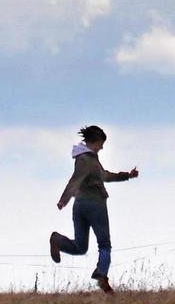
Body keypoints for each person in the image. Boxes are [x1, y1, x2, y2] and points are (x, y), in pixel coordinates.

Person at [49, 125, 139, 294]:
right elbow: (75, 180)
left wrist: (127, 175)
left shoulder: (89, 158)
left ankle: (58, 241)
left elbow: (105, 175)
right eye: (101, 143)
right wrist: (63, 200)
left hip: (80, 206)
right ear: (93, 141)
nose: (102, 147)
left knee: (80, 247)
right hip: (95, 204)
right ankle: (101, 275)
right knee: (105, 244)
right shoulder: (86, 160)